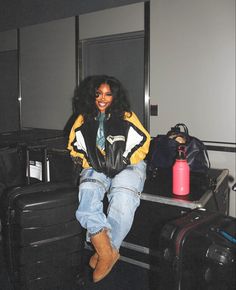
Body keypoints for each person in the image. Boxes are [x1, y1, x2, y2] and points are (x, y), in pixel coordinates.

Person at [67, 75, 151, 283]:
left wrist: (122, 160)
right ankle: (106, 252)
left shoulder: (126, 116)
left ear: (115, 96)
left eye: (107, 94)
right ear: (91, 96)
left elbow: (143, 143)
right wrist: (93, 161)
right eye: (98, 94)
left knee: (123, 198)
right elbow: (74, 148)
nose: (102, 98)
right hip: (96, 165)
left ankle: (107, 249)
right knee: (87, 196)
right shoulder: (83, 119)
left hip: (129, 163)